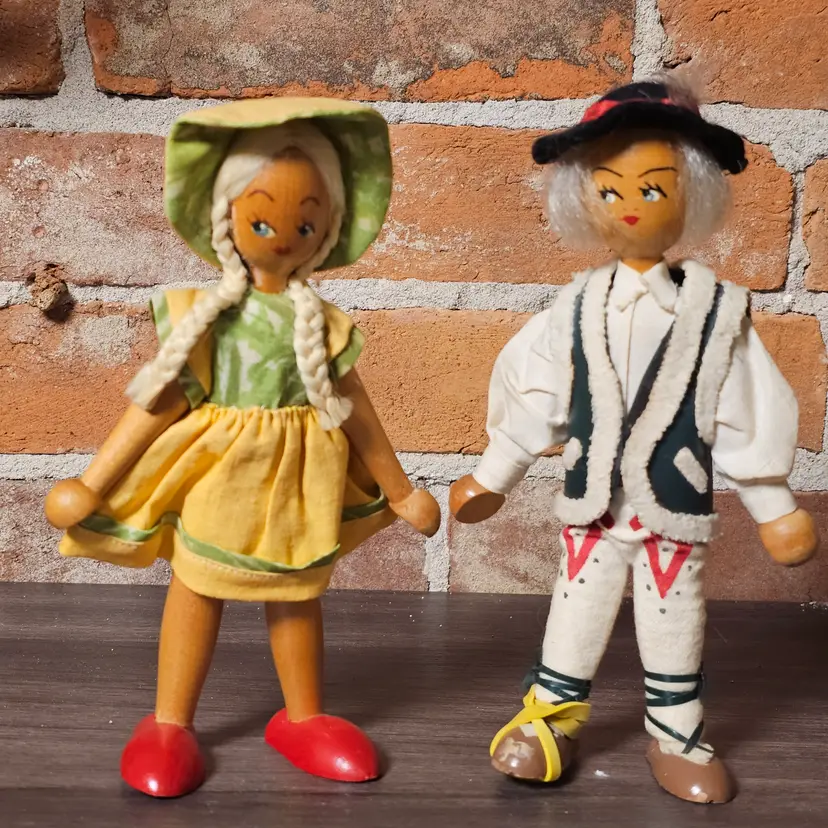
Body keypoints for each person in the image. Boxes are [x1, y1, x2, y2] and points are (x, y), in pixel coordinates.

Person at [45, 98, 440, 797]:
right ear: (225, 218)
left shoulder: (322, 324)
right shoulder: (207, 318)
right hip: (221, 475)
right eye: (262, 221)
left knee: (296, 591)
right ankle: (170, 722)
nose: (284, 237)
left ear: (328, 228)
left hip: (298, 482)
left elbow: (357, 413)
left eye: (305, 223)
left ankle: (303, 716)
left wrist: (401, 488)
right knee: (198, 583)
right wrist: (94, 481)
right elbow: (158, 402)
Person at [449, 77, 818, 803]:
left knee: (672, 615)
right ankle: (551, 716)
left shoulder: (717, 313)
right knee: (575, 607)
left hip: (673, 507)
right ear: (581, 199)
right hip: (593, 505)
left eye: (653, 188)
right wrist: (495, 473)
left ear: (694, 195)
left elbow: (746, 406)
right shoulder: (574, 307)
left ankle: (676, 730)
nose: (629, 205)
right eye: (608, 188)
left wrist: (773, 505)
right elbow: (536, 391)